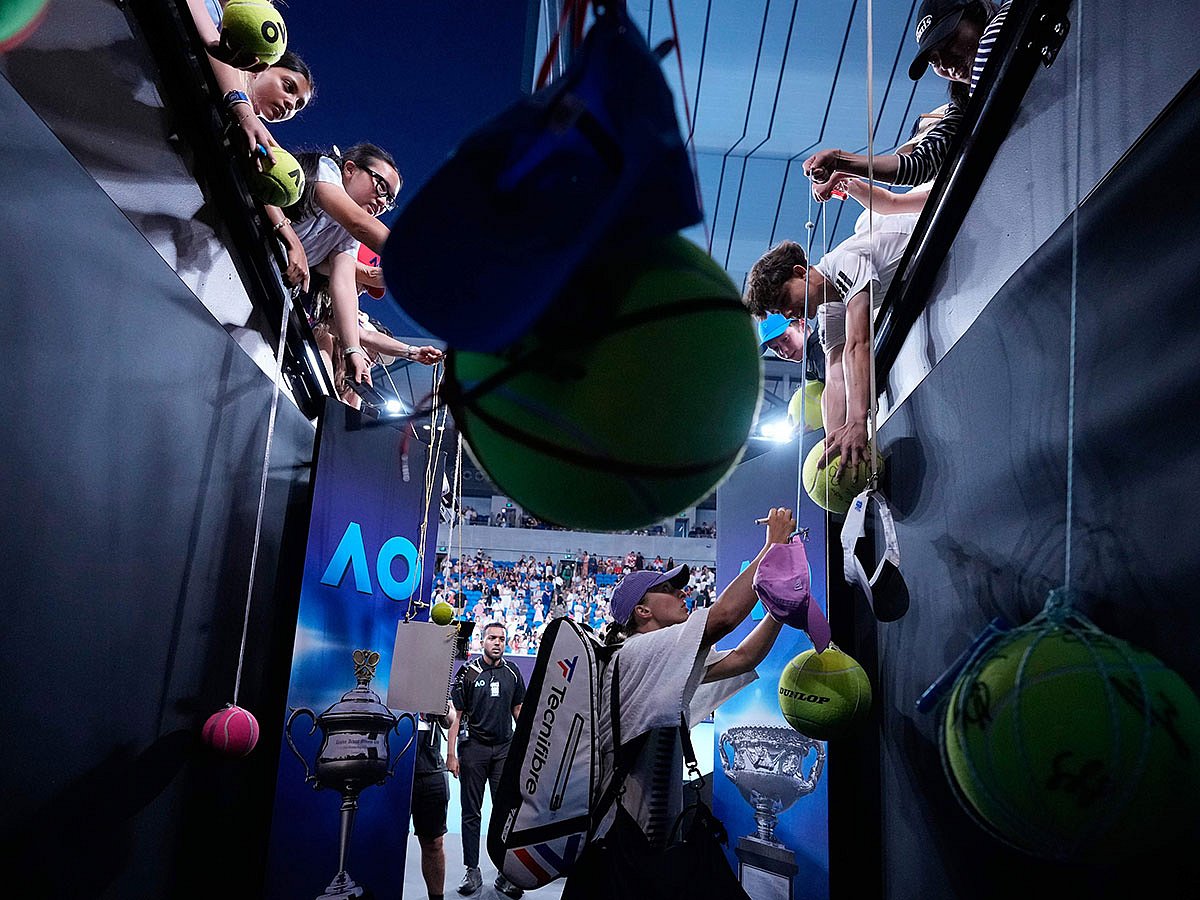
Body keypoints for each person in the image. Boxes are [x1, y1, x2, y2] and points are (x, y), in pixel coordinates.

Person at [566, 507, 794, 886]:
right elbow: (722, 618)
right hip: (619, 850)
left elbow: (742, 658)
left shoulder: (657, 660)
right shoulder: (638, 652)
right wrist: (772, 547)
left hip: (644, 845)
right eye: (669, 590)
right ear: (642, 611)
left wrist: (780, 611)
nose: (681, 593)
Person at [744, 206, 918, 472]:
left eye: (784, 301)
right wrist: (834, 443)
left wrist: (858, 422)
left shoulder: (843, 263)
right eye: (780, 311)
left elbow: (858, 344)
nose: (789, 312)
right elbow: (835, 374)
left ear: (800, 272)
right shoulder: (828, 310)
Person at [803, 0, 1010, 199]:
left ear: (977, 14)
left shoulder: (1015, 17)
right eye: (934, 61)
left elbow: (994, 40)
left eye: (948, 40)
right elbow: (921, 164)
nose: (945, 63)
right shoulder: (963, 107)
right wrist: (841, 161)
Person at [264, 143, 408, 388]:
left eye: (389, 200)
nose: (383, 202)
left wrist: (353, 349)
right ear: (350, 169)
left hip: (267, 283)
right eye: (381, 187)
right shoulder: (325, 169)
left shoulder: (347, 235)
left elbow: (343, 284)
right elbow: (358, 223)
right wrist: (423, 261)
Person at [446, 623, 527, 899]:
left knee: (506, 812)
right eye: (492, 638)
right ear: (483, 641)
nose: (497, 642)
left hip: (504, 750)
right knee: (471, 812)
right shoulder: (468, 672)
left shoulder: (513, 672)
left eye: (502, 639)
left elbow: (518, 709)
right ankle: (472, 869)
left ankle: (507, 873)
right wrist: (451, 754)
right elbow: (456, 714)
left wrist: (526, 746)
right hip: (474, 750)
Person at [185, 2, 315, 166]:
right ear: (261, 67)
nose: (291, 104)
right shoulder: (219, 28)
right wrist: (242, 108)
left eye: (298, 106)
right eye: (288, 86)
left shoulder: (235, 131)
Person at [412, 708, 457, 900]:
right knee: (383, 841)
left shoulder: (434, 679)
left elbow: (449, 720)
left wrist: (442, 707)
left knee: (433, 843)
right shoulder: (384, 677)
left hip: (429, 768)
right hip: (392, 767)